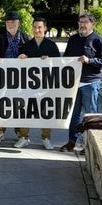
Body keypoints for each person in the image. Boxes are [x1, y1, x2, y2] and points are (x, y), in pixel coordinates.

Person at [60, 12, 102, 152]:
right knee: (74, 114)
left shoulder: (98, 40)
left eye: (85, 22)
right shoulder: (73, 39)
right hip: (73, 84)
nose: (82, 25)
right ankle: (72, 141)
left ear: (92, 24)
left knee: (91, 115)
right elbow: (65, 59)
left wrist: (90, 60)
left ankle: (90, 145)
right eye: (80, 22)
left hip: (90, 83)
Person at [18, 17, 61, 150]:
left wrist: (50, 61)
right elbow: (17, 66)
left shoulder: (51, 45)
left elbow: (59, 65)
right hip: (28, 85)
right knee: (25, 111)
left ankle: (46, 138)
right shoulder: (26, 46)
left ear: (45, 28)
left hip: (46, 85)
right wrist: (20, 58)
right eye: (35, 27)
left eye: (40, 27)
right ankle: (24, 137)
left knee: (46, 111)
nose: (37, 30)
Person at [0, 11, 31, 146]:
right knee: (2, 104)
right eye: (8, 22)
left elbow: (33, 57)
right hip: (3, 77)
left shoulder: (26, 38)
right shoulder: (0, 39)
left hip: (21, 78)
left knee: (20, 105)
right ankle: (0, 131)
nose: (10, 24)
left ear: (18, 23)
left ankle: (22, 133)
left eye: (12, 22)